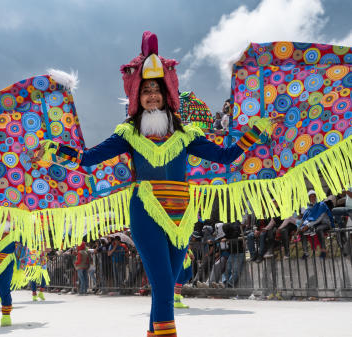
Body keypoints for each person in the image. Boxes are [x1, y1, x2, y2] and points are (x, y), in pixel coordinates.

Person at [36, 31, 278, 336]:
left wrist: (255, 132)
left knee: (167, 287)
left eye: (157, 90)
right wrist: (56, 149)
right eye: (146, 90)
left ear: (167, 95)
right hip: (146, 212)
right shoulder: (128, 134)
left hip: (182, 216)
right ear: (138, 96)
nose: (152, 95)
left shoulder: (186, 134)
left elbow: (227, 157)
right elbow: (88, 158)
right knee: (164, 285)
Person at [298, 190, 335, 259]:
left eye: (314, 196)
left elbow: (318, 219)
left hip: (325, 223)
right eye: (311, 197)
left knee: (319, 229)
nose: (312, 198)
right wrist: (300, 227)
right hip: (315, 224)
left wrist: (307, 225)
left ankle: (323, 250)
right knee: (302, 231)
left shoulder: (321, 205)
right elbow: (305, 219)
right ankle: (306, 252)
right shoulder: (309, 207)